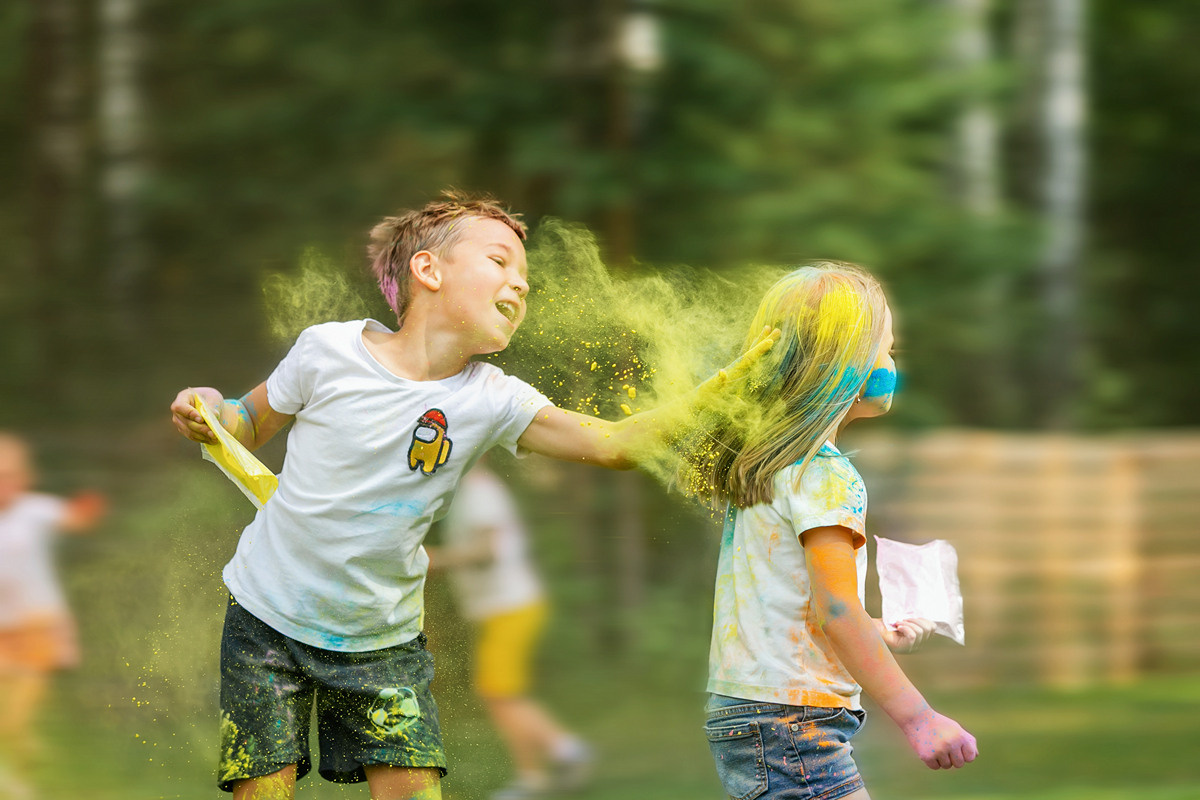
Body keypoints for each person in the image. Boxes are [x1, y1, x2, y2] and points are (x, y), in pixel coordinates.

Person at [169, 190, 776, 800]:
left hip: (382, 638)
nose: (520, 284)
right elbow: (245, 422)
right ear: (428, 270)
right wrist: (209, 406)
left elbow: (617, 443)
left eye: (525, 276)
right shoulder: (326, 350)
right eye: (500, 261)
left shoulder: (493, 398)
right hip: (267, 614)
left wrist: (724, 389)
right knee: (264, 791)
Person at [694, 263, 978, 800]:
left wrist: (880, 633)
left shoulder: (768, 464)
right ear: (845, 367)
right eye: (887, 350)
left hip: (753, 715)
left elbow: (806, 611)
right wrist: (920, 719)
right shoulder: (824, 475)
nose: (891, 364)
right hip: (793, 723)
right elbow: (837, 611)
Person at [431, 458, 591, 800]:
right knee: (504, 693)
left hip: (511, 607)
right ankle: (546, 765)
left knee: (498, 693)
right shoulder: (468, 492)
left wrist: (433, 559)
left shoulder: (480, 492)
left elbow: (486, 551)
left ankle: (559, 757)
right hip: (504, 608)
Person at [0, 433, 106, 800]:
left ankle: (21, 781)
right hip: (3, 634)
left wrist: (88, 508)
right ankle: (27, 756)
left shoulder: (34, 510)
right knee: (9, 721)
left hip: (40, 628)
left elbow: (74, 519)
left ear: (25, 477)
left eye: (9, 476)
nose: (4, 485)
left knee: (13, 720)